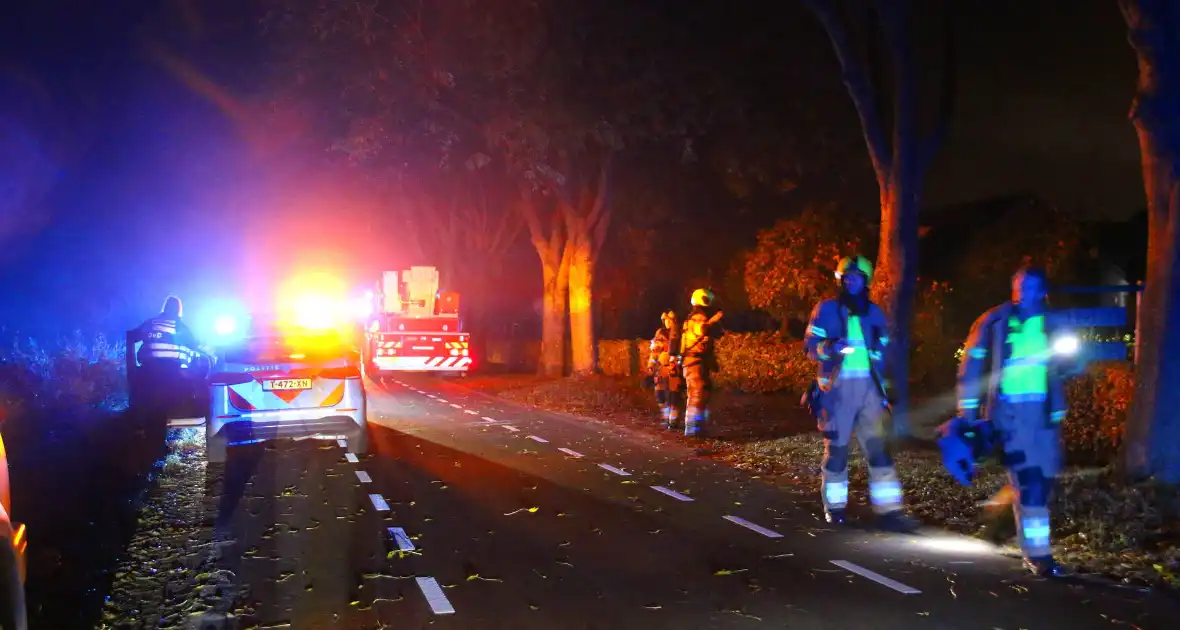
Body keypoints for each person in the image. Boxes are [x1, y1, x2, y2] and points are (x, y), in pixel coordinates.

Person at [950, 265, 1072, 577]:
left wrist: (1070, 361)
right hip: (1010, 415)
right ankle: (1039, 556)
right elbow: (972, 365)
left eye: (1030, 288)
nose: (1023, 293)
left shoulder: (1053, 322)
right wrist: (969, 413)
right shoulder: (994, 320)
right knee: (1030, 482)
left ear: (1043, 292)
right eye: (1019, 286)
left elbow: (1070, 364)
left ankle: (1001, 516)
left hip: (1044, 416)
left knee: (1043, 481)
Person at [803, 255, 918, 531]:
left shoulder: (875, 313)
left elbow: (884, 351)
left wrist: (885, 389)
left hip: (869, 389)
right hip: (836, 390)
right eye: (847, 276)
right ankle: (835, 508)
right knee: (837, 452)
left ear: (866, 280)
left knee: (879, 450)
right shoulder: (826, 309)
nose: (852, 280)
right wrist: (830, 347)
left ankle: (889, 510)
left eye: (857, 276)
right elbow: (809, 346)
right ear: (840, 280)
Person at [680, 289, 723, 438]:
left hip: (694, 361)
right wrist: (713, 320)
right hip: (695, 361)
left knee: (701, 394)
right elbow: (702, 330)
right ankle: (693, 430)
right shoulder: (698, 316)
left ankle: (698, 428)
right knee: (697, 395)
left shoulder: (691, 316)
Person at [133, 295, 201, 375]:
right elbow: (193, 345)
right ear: (178, 309)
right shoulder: (181, 328)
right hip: (173, 372)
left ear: (165, 307)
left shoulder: (150, 323)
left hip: (148, 370)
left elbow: (132, 336)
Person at [646, 310, 684, 429]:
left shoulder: (680, 334)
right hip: (662, 369)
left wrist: (678, 364)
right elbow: (654, 352)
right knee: (660, 394)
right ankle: (666, 417)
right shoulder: (660, 333)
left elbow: (683, 352)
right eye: (666, 320)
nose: (667, 323)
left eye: (670, 320)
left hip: (674, 370)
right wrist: (651, 365)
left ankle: (673, 421)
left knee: (674, 395)